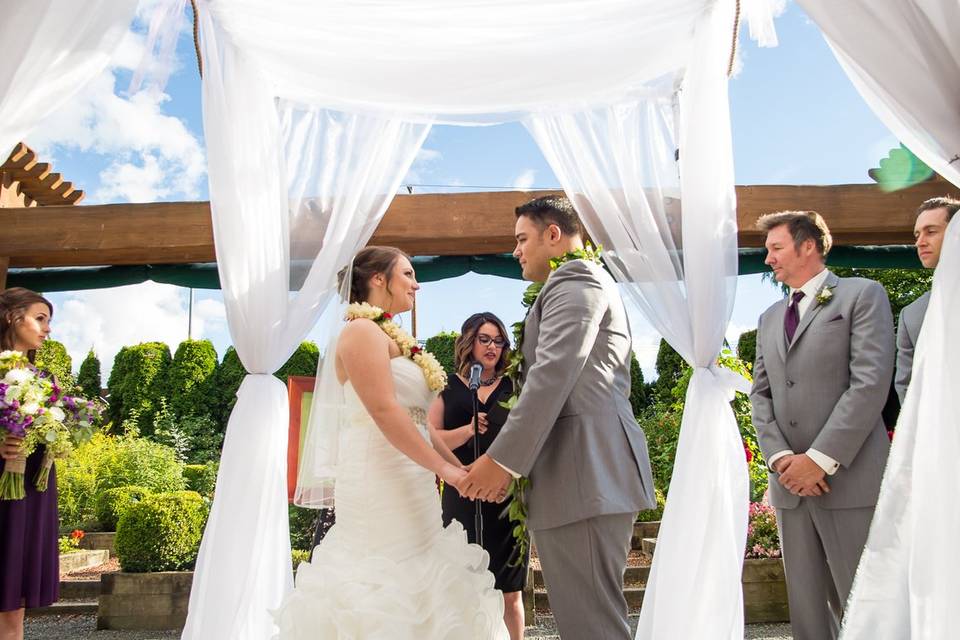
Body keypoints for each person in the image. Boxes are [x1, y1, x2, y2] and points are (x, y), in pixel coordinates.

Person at [274, 247, 508, 639]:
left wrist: (463, 471)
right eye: (408, 274)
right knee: (382, 579)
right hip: (377, 476)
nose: (416, 284)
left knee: (426, 578)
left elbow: (420, 424)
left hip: (413, 480)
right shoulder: (360, 331)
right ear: (379, 280)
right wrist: (447, 472)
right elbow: (385, 413)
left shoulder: (393, 335)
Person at [459, 196, 655, 640]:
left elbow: (553, 373)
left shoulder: (577, 278)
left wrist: (503, 461)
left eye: (522, 239)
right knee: (584, 620)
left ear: (553, 234)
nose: (515, 251)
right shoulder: (569, 284)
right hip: (578, 476)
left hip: (585, 471)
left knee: (592, 625)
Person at [750, 211, 894, 640]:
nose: (768, 259)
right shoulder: (768, 318)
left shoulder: (861, 296)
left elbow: (869, 384)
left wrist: (818, 460)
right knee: (808, 610)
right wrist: (780, 460)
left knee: (865, 601)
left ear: (808, 245)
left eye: (775, 248)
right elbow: (761, 395)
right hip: (790, 487)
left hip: (848, 480)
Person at [428, 312, 526, 640]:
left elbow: (530, 435)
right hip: (461, 493)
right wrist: (467, 431)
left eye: (499, 341)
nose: (492, 347)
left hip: (505, 496)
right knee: (461, 584)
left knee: (510, 590)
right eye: (485, 339)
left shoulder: (515, 384)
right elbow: (428, 437)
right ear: (469, 342)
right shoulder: (446, 386)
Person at [0, 288, 58, 640]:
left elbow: (51, 430)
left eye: (48, 321)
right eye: (40, 318)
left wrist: (59, 440)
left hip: (31, 489)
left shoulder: (46, 379)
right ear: (12, 316)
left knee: (14, 597)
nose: (47, 329)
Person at [895, 196, 959, 403]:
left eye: (931, 232)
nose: (920, 242)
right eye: (917, 234)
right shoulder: (911, 314)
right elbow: (906, 386)